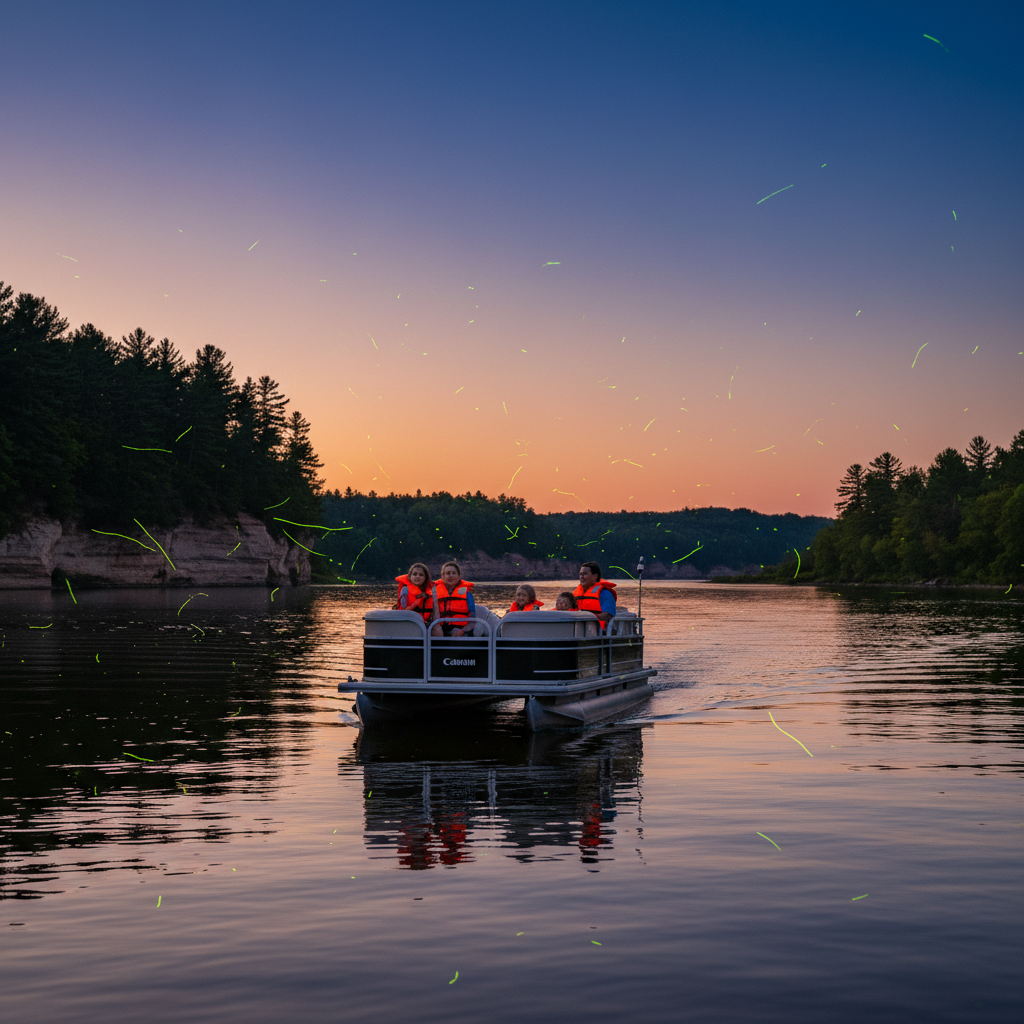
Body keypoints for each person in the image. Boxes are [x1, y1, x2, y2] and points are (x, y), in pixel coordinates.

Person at [431, 561, 476, 636]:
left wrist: (462, 631)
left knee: (457, 632)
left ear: (459, 576)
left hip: (461, 628)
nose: (451, 576)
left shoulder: (467, 594)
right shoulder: (434, 592)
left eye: (454, 573)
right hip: (441, 628)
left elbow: (472, 619)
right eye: (448, 573)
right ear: (443, 576)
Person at [573, 561, 616, 630]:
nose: (582, 577)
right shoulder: (575, 594)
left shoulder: (605, 593)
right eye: (580, 574)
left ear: (595, 576)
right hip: (577, 629)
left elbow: (607, 615)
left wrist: (587, 618)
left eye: (585, 574)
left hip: (599, 631)